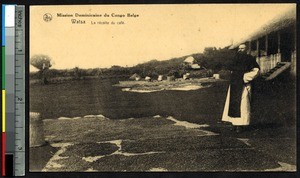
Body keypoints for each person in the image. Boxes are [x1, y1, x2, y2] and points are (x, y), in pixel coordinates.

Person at [222, 44, 260, 133]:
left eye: (242, 48)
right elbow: (231, 70)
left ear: (246, 49)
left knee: (243, 104)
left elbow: (256, 71)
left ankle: (240, 125)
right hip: (234, 84)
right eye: (239, 48)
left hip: (243, 84)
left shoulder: (250, 59)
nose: (240, 50)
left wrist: (244, 78)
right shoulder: (235, 59)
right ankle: (234, 123)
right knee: (232, 103)